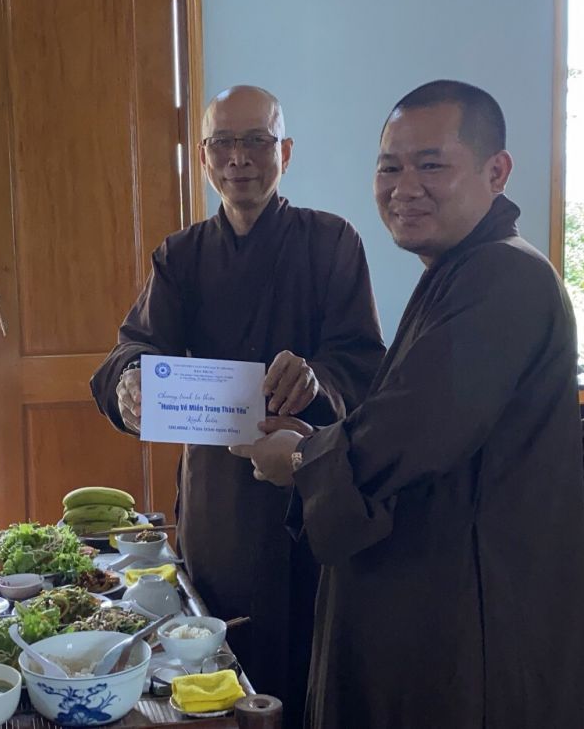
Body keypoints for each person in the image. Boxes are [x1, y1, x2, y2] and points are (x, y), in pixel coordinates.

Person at [234, 80, 584, 729]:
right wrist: (316, 440)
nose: (404, 188)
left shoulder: (505, 277)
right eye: (389, 168)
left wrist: (303, 458)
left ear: (496, 172)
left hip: (474, 622)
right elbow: (408, 413)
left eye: (431, 165)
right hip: (437, 601)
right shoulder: (457, 271)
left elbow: (409, 434)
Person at [88, 85, 385, 726]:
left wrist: (316, 380)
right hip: (217, 492)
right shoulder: (181, 255)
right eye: (222, 142)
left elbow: (364, 361)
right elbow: (135, 344)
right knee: (213, 651)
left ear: (286, 151)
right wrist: (130, 380)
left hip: (311, 482)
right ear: (203, 156)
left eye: (256, 141)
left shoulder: (332, 241)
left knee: (310, 657)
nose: (239, 158)